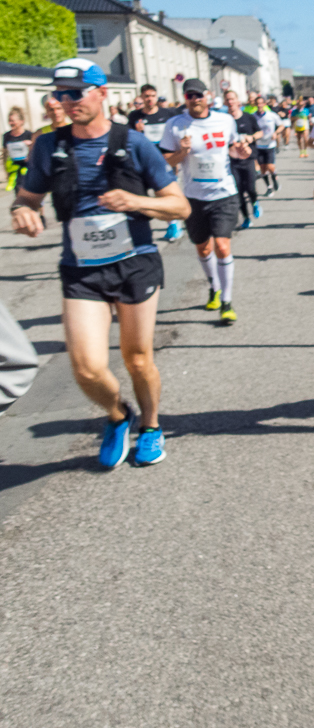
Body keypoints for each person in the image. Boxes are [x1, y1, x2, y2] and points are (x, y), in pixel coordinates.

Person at [10, 58, 190, 468]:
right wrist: (21, 211)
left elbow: (179, 207)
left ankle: (151, 425)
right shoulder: (48, 147)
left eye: (75, 93)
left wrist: (136, 201)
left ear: (102, 93)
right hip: (81, 269)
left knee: (137, 358)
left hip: (134, 262)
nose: (66, 101)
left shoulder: (136, 143)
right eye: (59, 94)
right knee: (86, 367)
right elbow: (27, 198)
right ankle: (117, 415)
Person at [160, 80, 241, 325]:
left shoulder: (225, 121)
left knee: (222, 246)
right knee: (203, 248)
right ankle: (214, 287)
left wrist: (242, 152)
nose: (195, 99)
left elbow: (234, 149)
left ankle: (226, 302)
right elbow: (167, 162)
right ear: (185, 98)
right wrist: (182, 152)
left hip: (224, 193)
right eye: (190, 95)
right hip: (194, 197)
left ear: (208, 96)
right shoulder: (175, 125)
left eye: (199, 95)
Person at [127, 84, 184, 241]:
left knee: (167, 191)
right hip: (145, 159)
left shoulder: (167, 114)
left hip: (166, 158)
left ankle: (174, 224)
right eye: (146, 96)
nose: (149, 99)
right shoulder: (134, 116)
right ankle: (170, 222)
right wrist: (138, 131)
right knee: (154, 195)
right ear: (142, 98)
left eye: (152, 95)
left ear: (156, 96)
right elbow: (128, 138)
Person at [223, 89, 263, 229]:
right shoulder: (223, 120)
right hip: (232, 161)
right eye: (227, 100)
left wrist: (251, 137)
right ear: (224, 102)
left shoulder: (248, 117)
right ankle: (246, 217)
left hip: (248, 159)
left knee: (250, 188)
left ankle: (255, 202)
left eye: (232, 99)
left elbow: (260, 132)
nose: (230, 102)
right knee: (238, 191)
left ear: (238, 101)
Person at [254, 94, 284, 196]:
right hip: (258, 145)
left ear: (264, 104)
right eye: (257, 104)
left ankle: (275, 178)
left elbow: (281, 125)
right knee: (263, 169)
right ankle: (269, 187)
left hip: (270, 145)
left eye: (261, 103)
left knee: (270, 167)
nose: (259, 105)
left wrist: (276, 133)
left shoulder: (271, 115)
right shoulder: (253, 117)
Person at [5, 106, 34, 192]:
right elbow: (5, 154)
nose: (11, 123)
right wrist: (7, 172)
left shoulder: (29, 135)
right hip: (15, 172)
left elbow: (37, 152)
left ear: (21, 121)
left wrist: (30, 145)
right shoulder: (6, 136)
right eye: (9, 121)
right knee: (20, 197)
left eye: (13, 121)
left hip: (28, 170)